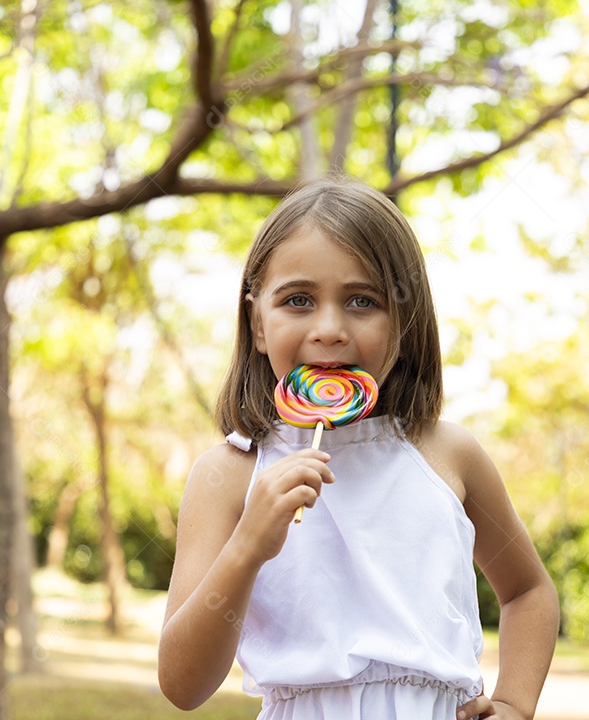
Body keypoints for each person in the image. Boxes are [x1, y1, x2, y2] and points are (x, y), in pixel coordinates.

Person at [158, 176, 559, 719]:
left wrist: (514, 703)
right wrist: (247, 547)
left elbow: (528, 590)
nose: (329, 328)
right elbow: (181, 685)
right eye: (298, 300)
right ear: (257, 324)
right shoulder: (230, 473)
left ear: (405, 323)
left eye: (362, 301)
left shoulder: (449, 454)